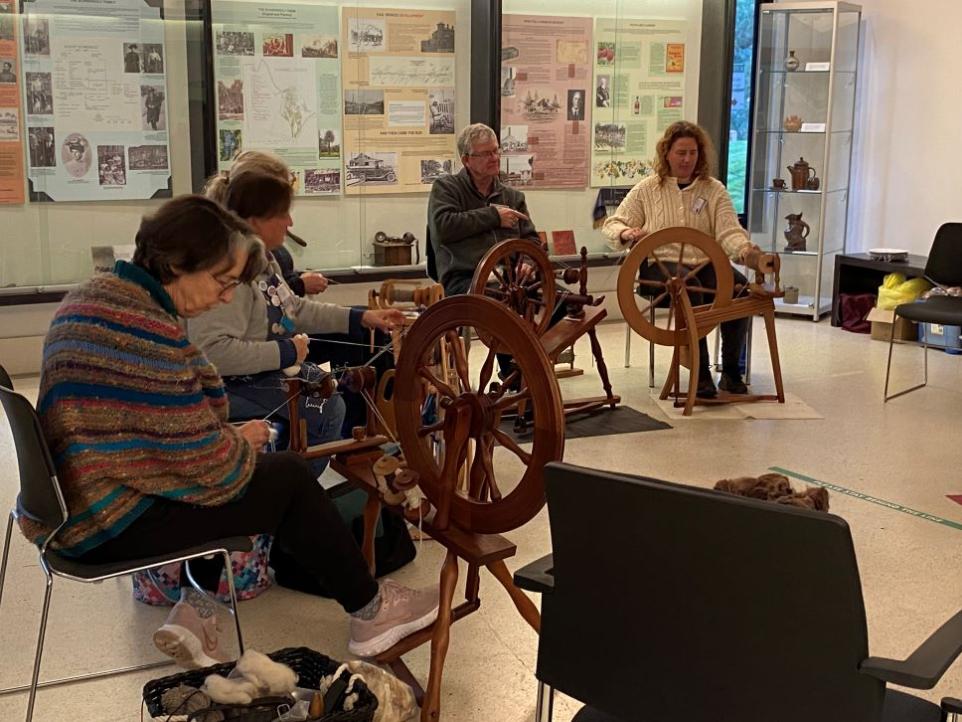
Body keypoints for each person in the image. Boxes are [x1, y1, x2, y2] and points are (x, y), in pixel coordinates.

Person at [24, 194, 438, 667]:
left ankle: (196, 609)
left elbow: (160, 441)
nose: (226, 297)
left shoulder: (91, 299)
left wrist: (222, 439)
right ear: (179, 263)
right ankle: (371, 612)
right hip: (108, 521)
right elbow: (211, 470)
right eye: (222, 282)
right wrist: (238, 444)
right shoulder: (143, 334)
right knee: (286, 479)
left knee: (245, 475)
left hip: (73, 505)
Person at [189, 169, 404, 464]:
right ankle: (294, 488)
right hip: (231, 383)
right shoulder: (230, 270)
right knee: (326, 407)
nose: (290, 222)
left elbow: (295, 310)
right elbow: (212, 352)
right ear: (255, 221)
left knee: (328, 383)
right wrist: (286, 351)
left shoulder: (263, 259)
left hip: (260, 372)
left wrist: (360, 318)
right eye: (283, 214)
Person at [602, 120, 775, 398]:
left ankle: (730, 372)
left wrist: (745, 251)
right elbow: (612, 223)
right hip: (660, 270)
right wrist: (626, 232)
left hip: (705, 266)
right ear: (666, 153)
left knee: (740, 290)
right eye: (681, 152)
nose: (686, 159)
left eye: (692, 153)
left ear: (700, 155)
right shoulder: (647, 189)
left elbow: (728, 231)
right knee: (688, 289)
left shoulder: (714, 190)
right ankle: (700, 372)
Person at [427, 122, 539, 297]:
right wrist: (494, 216)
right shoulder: (446, 188)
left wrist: (527, 261)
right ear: (466, 160)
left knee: (567, 302)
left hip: (511, 279)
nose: (495, 158)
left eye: (496, 150)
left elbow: (531, 239)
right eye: (486, 153)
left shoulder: (513, 197)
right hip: (465, 279)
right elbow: (443, 226)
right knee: (502, 303)